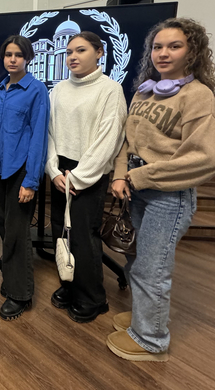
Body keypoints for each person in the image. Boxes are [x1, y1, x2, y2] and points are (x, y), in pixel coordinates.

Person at [109, 18, 215, 362]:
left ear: (192, 52)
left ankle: (151, 338)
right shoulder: (144, 90)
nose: (163, 53)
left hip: (168, 196)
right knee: (134, 258)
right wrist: (121, 175)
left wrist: (143, 176)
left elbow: (210, 156)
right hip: (135, 187)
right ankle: (144, 318)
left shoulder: (198, 96)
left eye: (174, 46)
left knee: (152, 268)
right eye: (157, 47)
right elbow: (128, 140)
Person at [45, 32, 127, 323]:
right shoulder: (58, 89)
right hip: (60, 171)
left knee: (82, 235)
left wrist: (78, 179)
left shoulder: (110, 90)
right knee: (61, 232)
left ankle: (93, 297)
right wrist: (53, 170)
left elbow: (109, 139)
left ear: (99, 52)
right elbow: (48, 133)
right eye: (69, 52)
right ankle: (70, 284)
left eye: (80, 50)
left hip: (88, 172)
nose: (73, 57)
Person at [0, 35, 49, 321]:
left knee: (17, 232)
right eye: (8, 54)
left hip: (21, 171)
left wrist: (31, 181)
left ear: (28, 58)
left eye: (18, 55)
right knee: (3, 227)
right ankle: (12, 277)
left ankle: (20, 294)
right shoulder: (1, 88)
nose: (12, 59)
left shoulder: (36, 90)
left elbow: (39, 137)